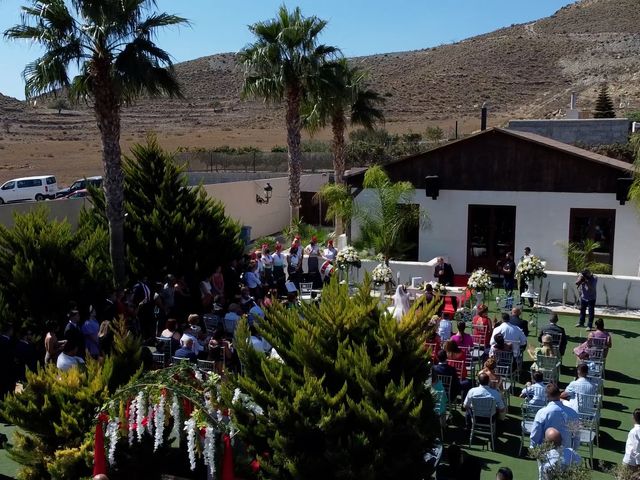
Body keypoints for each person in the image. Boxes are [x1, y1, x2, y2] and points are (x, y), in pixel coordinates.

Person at [530, 383, 580, 450]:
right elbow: (576, 436)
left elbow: (535, 434)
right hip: (566, 452)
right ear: (559, 394)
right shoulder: (573, 413)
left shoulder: (542, 412)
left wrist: (534, 449)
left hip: (546, 452)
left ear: (546, 396)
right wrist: (573, 451)